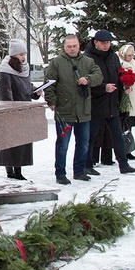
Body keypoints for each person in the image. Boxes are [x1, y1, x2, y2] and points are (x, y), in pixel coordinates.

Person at [43, 34, 103, 185]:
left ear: (79, 46)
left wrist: (88, 79)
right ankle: (60, 173)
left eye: (74, 46)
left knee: (83, 143)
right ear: (64, 47)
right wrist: (51, 101)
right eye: (69, 46)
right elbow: (49, 84)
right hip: (65, 112)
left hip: (83, 111)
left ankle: (79, 171)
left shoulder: (88, 62)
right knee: (63, 144)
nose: (72, 49)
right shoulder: (56, 63)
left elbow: (98, 76)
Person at [84, 30, 135, 174]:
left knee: (117, 135)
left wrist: (124, 86)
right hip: (95, 104)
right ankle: (87, 165)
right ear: (95, 42)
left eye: (108, 43)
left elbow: (118, 75)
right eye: (103, 43)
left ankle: (123, 164)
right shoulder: (88, 58)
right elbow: (86, 82)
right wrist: (103, 88)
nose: (105, 45)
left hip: (112, 103)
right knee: (91, 137)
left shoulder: (113, 57)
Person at [0, 39, 39, 180]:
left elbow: (27, 87)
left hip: (25, 110)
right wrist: (11, 111)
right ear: (13, 55)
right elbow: (5, 94)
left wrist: (36, 91)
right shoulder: (4, 70)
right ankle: (11, 171)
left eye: (24, 54)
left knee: (22, 142)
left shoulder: (24, 68)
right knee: (10, 142)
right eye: (20, 54)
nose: (23, 57)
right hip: (12, 112)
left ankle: (19, 169)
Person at [118, 43, 135, 160]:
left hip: (133, 98)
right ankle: (122, 150)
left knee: (129, 126)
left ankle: (128, 149)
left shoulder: (133, 64)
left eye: (132, 55)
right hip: (125, 99)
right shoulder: (120, 63)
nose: (131, 57)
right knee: (123, 126)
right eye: (128, 55)